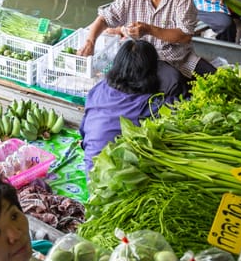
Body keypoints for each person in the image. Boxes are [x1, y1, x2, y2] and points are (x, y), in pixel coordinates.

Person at [78, 0, 216, 91]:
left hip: (180, 58)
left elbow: (185, 36)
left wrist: (149, 29)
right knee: (174, 83)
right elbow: (104, 18)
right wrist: (90, 42)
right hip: (143, 62)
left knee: (215, 77)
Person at [79, 39, 186, 172]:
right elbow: (184, 107)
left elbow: (84, 133)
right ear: (152, 71)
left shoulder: (99, 89)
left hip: (91, 170)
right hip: (113, 182)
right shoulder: (151, 105)